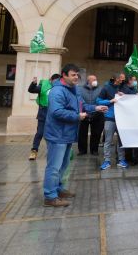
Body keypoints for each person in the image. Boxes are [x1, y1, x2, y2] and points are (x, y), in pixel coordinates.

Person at [43, 64, 107, 207]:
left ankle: (58, 189)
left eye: (77, 75)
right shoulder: (57, 91)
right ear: (64, 75)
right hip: (57, 134)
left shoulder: (74, 90)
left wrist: (95, 108)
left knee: (63, 165)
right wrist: (77, 116)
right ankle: (50, 196)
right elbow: (56, 112)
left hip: (67, 134)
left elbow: (83, 106)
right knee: (54, 167)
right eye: (73, 75)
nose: (76, 77)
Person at [97, 73, 128, 170]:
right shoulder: (106, 88)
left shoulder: (124, 88)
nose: (123, 80)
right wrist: (110, 101)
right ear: (115, 79)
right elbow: (98, 101)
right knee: (108, 141)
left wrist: (125, 96)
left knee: (121, 140)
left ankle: (121, 159)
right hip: (110, 118)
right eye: (121, 78)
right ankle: (107, 161)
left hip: (122, 119)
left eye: (123, 79)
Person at [28, 73, 61, 161]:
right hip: (43, 112)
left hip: (54, 113)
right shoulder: (43, 86)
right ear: (51, 80)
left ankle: (52, 151)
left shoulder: (60, 88)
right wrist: (34, 83)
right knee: (40, 133)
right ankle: (34, 151)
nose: (56, 83)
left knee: (53, 133)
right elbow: (31, 90)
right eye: (55, 81)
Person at [77, 74, 103, 156]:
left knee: (96, 133)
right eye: (93, 79)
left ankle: (94, 150)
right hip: (84, 114)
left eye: (96, 79)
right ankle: (82, 150)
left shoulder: (100, 89)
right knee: (82, 133)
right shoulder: (80, 89)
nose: (95, 81)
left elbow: (102, 99)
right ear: (88, 81)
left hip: (97, 113)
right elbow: (80, 101)